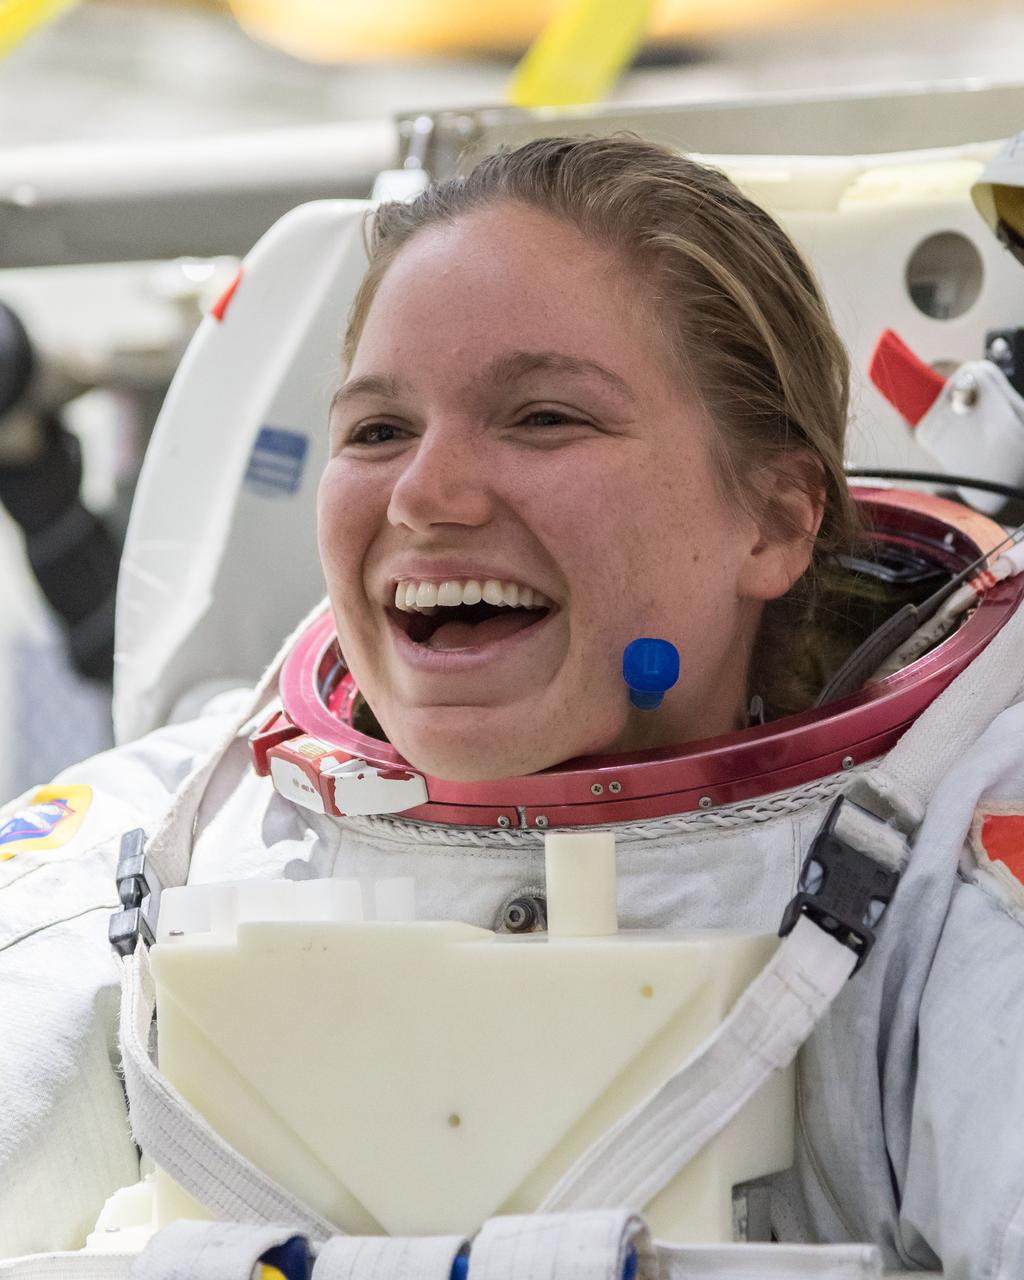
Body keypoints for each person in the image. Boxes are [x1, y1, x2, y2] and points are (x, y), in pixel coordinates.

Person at [2, 135, 1024, 1277]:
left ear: (776, 521)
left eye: (543, 417)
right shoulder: (161, 841)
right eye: (378, 430)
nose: (426, 494)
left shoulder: (953, 863)